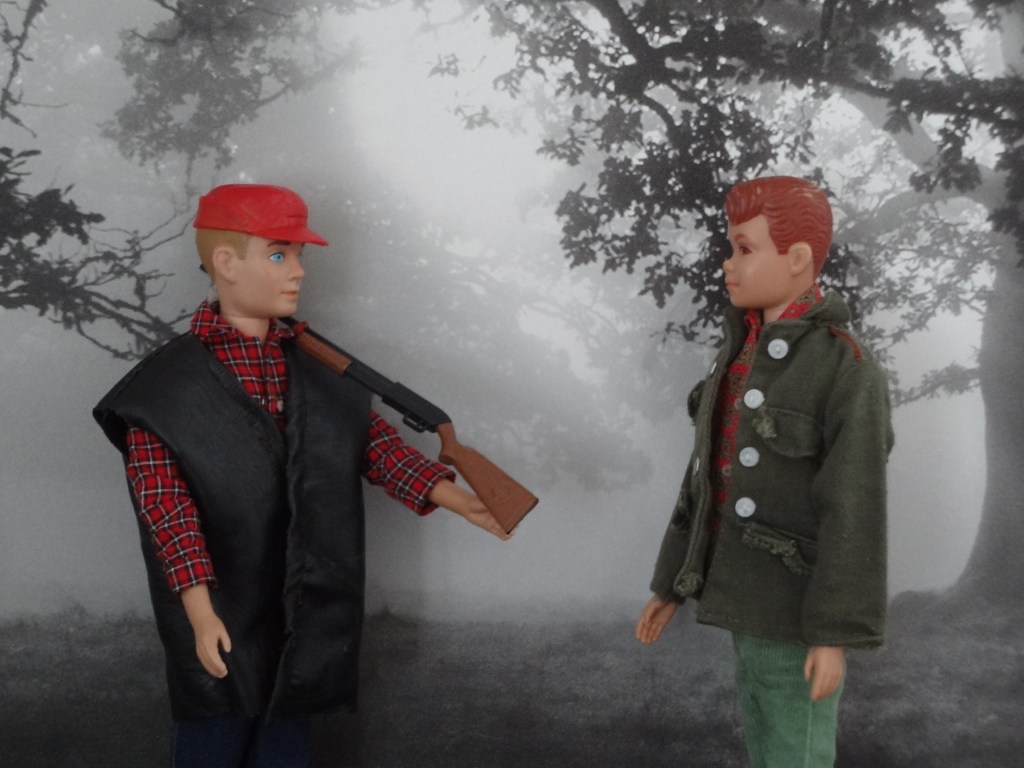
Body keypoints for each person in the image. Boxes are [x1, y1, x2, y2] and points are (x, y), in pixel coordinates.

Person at [94, 183, 510, 767]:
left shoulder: (316, 368)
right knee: (214, 733)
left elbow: (372, 447)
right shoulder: (164, 392)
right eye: (278, 254)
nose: (297, 271)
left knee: (286, 739)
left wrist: (458, 498)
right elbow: (167, 511)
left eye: (298, 255)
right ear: (226, 263)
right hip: (224, 599)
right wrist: (200, 612)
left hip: (305, 599)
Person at [635, 176, 893, 767]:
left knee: (796, 749)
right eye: (732, 247)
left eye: (744, 249)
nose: (729, 264)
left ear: (797, 259)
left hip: (795, 607)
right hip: (744, 598)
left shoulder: (847, 369)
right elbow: (704, 481)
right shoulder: (736, 357)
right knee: (764, 736)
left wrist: (834, 631)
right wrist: (672, 581)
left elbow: (854, 511)